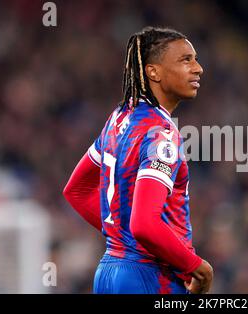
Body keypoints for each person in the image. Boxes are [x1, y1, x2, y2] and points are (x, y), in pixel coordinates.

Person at [63, 26, 213, 294]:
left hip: (108, 274)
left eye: (195, 58)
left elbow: (76, 190)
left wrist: (122, 241)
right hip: (150, 277)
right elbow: (144, 223)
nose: (198, 68)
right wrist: (196, 267)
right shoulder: (162, 134)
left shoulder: (119, 119)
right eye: (185, 60)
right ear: (153, 71)